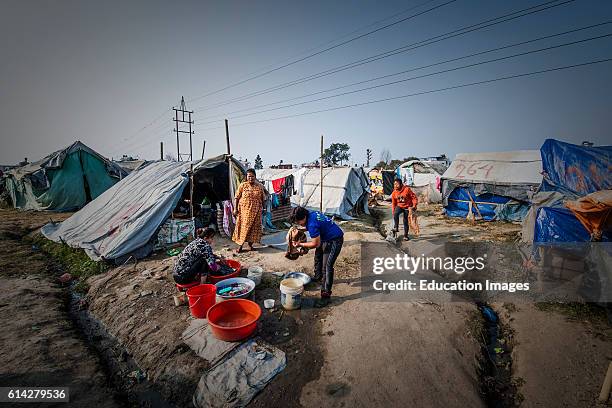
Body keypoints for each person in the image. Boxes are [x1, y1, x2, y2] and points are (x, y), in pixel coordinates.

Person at [290, 206, 344, 307]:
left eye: (298, 222)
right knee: (318, 257)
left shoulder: (312, 224)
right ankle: (318, 277)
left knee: (327, 267)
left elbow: (315, 244)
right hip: (325, 238)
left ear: (304, 217)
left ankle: (325, 296)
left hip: (334, 240)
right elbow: (315, 230)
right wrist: (300, 230)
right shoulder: (311, 214)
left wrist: (300, 244)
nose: (298, 224)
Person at [232, 168, 266, 253]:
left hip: (256, 212)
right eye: (249, 176)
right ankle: (240, 246)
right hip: (244, 213)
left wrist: (264, 208)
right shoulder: (242, 185)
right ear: (246, 177)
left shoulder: (259, 186)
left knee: (254, 229)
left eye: (252, 176)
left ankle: (250, 245)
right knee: (244, 228)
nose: (251, 178)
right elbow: (236, 198)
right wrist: (235, 209)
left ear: (255, 177)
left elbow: (263, 199)